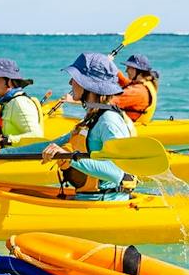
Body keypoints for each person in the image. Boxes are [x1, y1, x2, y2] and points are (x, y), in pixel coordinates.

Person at [42, 52, 133, 196]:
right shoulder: (92, 117)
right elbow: (52, 144)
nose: (70, 83)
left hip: (104, 203)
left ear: (88, 84)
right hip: (86, 198)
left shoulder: (108, 121)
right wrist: (1, 153)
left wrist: (69, 157)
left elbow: (117, 172)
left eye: (75, 78)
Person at [113, 53, 159, 123]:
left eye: (128, 68)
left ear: (137, 71)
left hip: (130, 128)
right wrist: (109, 65)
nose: (126, 71)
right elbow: (123, 81)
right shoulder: (145, 83)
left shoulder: (138, 91)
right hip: (134, 124)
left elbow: (110, 101)